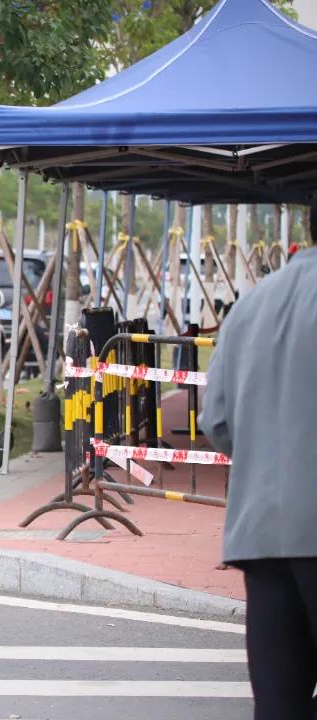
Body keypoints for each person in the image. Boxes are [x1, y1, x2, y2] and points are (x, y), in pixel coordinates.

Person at [200, 204, 317, 720]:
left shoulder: (250, 304)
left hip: (260, 533)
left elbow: (216, 421)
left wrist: (271, 461)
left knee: (278, 702)